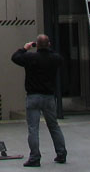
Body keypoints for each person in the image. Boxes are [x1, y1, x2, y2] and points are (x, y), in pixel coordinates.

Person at [11, 34, 67, 167]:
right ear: (49, 44)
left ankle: (35, 157)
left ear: (36, 45)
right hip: (49, 97)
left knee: (33, 128)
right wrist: (48, 49)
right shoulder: (54, 58)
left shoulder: (30, 57)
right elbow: (60, 59)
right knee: (53, 126)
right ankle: (61, 153)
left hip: (33, 96)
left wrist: (24, 48)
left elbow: (15, 57)